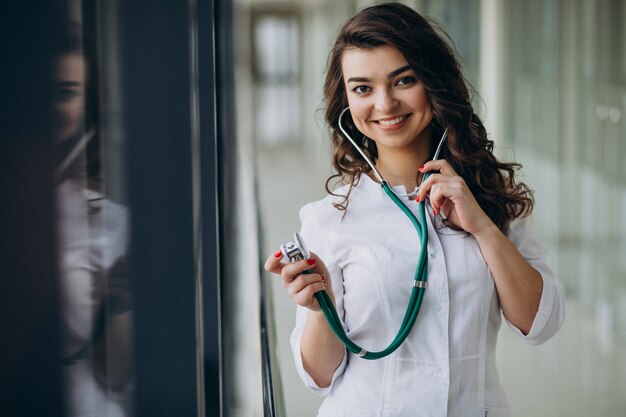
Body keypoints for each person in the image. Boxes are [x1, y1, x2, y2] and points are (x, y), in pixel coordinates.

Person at [264, 3, 564, 417]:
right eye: (363, 88)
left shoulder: (490, 196)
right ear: (346, 103)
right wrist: (321, 309)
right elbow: (318, 377)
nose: (385, 104)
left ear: (433, 81)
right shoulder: (328, 218)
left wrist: (482, 227)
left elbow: (541, 324)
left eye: (403, 79)